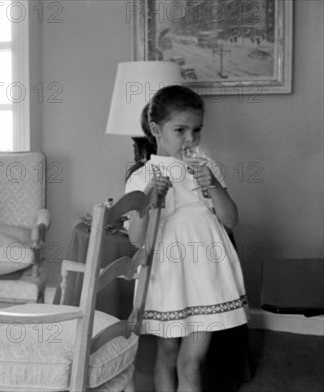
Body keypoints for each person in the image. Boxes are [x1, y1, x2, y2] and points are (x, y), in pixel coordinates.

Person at [126, 85, 248, 391]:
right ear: (156, 129)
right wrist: (151, 198)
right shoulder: (141, 177)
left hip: (206, 274)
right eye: (180, 130)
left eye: (197, 130)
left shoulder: (207, 168)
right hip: (168, 274)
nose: (191, 139)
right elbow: (137, 240)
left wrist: (215, 186)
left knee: (192, 359)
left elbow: (231, 220)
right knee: (167, 352)